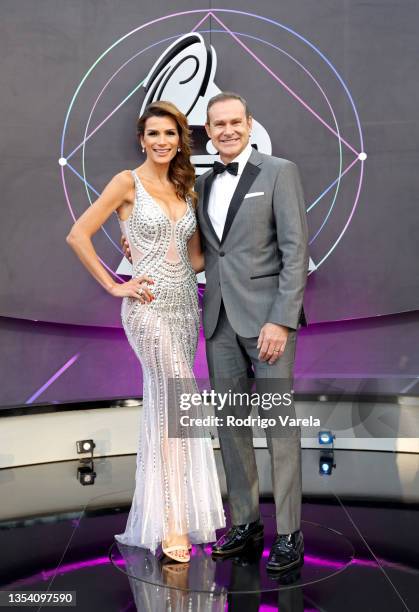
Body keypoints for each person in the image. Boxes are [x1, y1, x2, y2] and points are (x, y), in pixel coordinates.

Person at [122, 91, 309, 574]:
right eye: (216, 125)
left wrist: (282, 319)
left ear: (249, 124)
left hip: (268, 323)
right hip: (219, 320)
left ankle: (289, 533)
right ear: (207, 132)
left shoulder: (279, 172)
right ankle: (246, 524)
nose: (226, 131)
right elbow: (199, 255)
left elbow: (295, 251)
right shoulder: (201, 184)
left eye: (234, 122)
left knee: (279, 424)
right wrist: (139, 249)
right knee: (231, 425)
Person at [66, 100, 225, 563]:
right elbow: (78, 235)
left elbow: (196, 259)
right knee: (177, 398)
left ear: (180, 140)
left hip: (184, 306)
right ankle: (173, 523)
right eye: (153, 134)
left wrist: (240, 251)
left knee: (165, 404)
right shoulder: (126, 182)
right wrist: (116, 285)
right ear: (142, 139)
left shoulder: (184, 185)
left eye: (170, 134)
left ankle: (168, 514)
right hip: (148, 306)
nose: (162, 142)